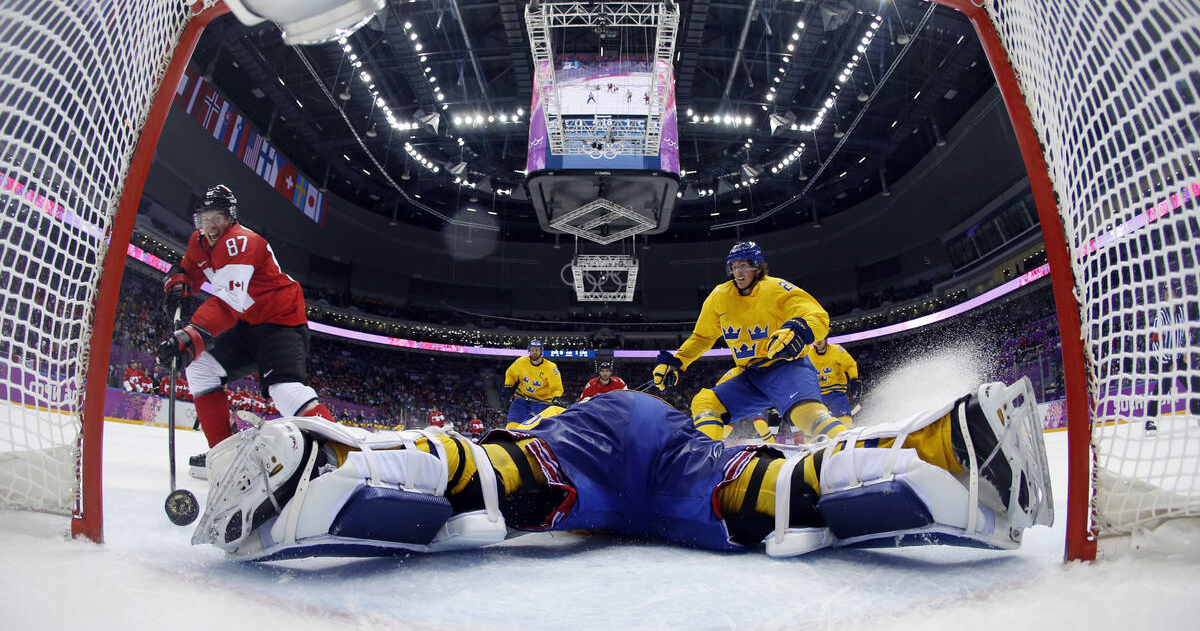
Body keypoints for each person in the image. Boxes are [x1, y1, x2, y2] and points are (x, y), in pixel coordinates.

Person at [191, 378, 1054, 562]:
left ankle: (325, 457)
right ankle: (954, 443)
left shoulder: (553, 404)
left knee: (494, 474)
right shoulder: (676, 402)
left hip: (590, 443)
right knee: (772, 492)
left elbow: (513, 438)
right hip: (665, 437)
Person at [156, 184, 334, 478]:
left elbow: (227, 304)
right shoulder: (199, 241)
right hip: (248, 323)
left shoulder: (241, 241)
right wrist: (178, 282)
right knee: (200, 368)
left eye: (217, 219)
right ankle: (227, 455)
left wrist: (191, 336)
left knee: (284, 391)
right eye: (204, 219)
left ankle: (342, 455)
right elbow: (189, 268)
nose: (210, 227)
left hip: (281, 323)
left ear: (231, 218)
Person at [653, 241, 845, 442]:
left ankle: (851, 445)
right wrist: (677, 361)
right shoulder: (719, 296)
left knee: (807, 415)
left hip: (787, 368)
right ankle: (705, 456)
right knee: (705, 402)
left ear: (758, 266)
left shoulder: (775, 288)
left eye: (743, 265)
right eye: (734, 267)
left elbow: (818, 317)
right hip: (752, 376)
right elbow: (703, 337)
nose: (738, 272)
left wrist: (798, 330)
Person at [1145, 278, 1188, 434]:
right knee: (1162, 389)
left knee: (1193, 383)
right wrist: (1168, 362)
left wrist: (1183, 353)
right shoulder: (1160, 317)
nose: (1171, 296)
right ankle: (1150, 421)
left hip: (1178, 357)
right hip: (1163, 360)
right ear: (1164, 296)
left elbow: (1184, 334)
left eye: (1173, 293)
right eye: (1167, 293)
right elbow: (1155, 343)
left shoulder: (1182, 312)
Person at [502, 339, 563, 427]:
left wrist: (556, 397)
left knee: (538, 427)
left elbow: (556, 386)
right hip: (521, 399)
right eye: (532, 350)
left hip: (542, 402)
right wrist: (508, 385)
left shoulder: (551, 367)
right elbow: (511, 373)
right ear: (529, 351)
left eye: (537, 350)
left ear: (541, 351)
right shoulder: (521, 362)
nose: (534, 352)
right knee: (512, 425)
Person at [805, 337, 859, 427]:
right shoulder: (808, 354)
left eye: (821, 337)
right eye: (816, 338)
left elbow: (850, 365)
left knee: (843, 420)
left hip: (836, 393)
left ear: (826, 338)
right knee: (815, 424)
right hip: (817, 395)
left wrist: (854, 379)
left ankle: (845, 436)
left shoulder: (837, 350)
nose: (818, 340)